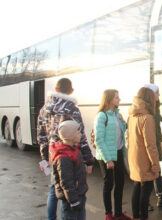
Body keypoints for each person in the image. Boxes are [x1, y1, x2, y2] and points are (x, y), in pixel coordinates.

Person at [37, 78, 94, 220]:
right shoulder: (71, 108)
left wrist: (45, 158)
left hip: (53, 153)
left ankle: (51, 218)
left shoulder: (44, 109)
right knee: (70, 189)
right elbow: (80, 134)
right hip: (70, 154)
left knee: (54, 188)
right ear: (71, 91)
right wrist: (88, 160)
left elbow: (41, 136)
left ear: (55, 90)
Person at [94, 89, 132, 220]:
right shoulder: (102, 116)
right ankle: (108, 214)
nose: (119, 99)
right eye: (117, 97)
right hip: (106, 155)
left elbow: (122, 131)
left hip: (118, 153)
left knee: (120, 183)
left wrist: (123, 122)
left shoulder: (117, 114)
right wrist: (108, 159)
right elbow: (98, 139)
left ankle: (118, 213)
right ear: (109, 99)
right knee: (108, 184)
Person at [127, 87, 161, 220]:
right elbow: (151, 145)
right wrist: (155, 166)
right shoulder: (147, 117)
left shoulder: (132, 115)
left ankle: (135, 217)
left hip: (134, 157)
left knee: (137, 187)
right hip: (144, 159)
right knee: (145, 191)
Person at [50, 120, 87, 220]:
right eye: (78, 132)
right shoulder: (64, 157)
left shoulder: (73, 150)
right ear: (71, 136)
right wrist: (74, 201)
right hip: (72, 200)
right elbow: (66, 182)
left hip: (78, 195)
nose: (81, 134)